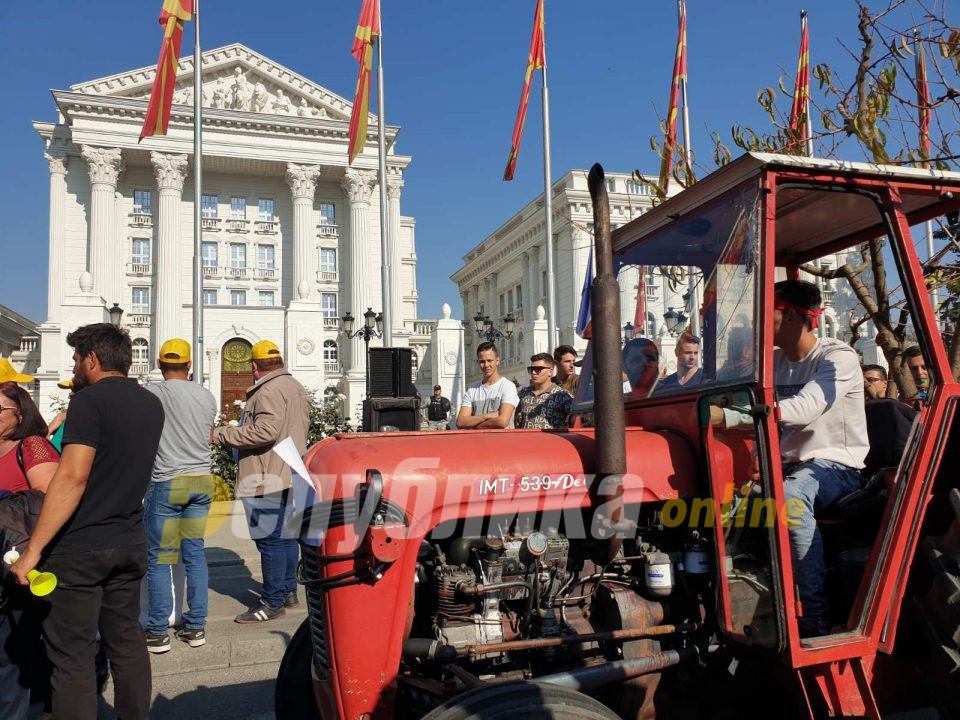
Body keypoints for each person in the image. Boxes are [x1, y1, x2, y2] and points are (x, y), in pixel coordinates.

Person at [11, 322, 164, 720]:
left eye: (77, 358)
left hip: (80, 547)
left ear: (92, 359)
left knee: (73, 658)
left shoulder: (88, 403)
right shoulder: (150, 403)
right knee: (127, 643)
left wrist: (33, 551)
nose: (75, 367)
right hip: (129, 540)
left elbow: (72, 477)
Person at [713, 280, 868, 637]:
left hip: (836, 467)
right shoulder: (775, 363)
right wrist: (753, 457)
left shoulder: (837, 356)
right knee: (723, 504)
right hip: (789, 467)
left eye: (769, 314)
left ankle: (813, 616)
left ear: (796, 317)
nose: (759, 324)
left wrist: (736, 415)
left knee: (792, 499)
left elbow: (806, 406)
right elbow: (759, 418)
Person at [210, 339, 310, 623]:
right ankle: (288, 592)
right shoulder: (295, 387)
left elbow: (264, 431)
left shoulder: (267, 391)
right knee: (286, 537)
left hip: (264, 475)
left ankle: (271, 601)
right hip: (288, 471)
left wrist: (223, 435)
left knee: (269, 541)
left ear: (254, 367)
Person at [142, 339, 218, 654]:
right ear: (189, 366)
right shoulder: (206, 395)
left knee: (160, 558)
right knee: (195, 555)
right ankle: (196, 626)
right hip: (202, 481)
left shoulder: (151, 393)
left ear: (160, 364)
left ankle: (158, 631)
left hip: (167, 481)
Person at [0, 380, 58, 719]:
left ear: (19, 414)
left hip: (22, 564)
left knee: (14, 657)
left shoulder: (32, 445)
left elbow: (50, 496)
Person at [457, 342, 519, 429]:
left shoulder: (508, 386)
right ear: (478, 362)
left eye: (489, 360)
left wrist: (474, 424)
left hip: (503, 441)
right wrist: (487, 416)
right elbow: (460, 422)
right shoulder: (472, 390)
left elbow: (502, 422)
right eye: (482, 361)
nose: (486, 365)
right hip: (477, 441)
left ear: (497, 361)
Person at [516, 354, 574, 429]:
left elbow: (578, 417)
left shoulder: (561, 395)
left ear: (550, 372)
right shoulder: (524, 392)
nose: (533, 372)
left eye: (538, 369)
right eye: (531, 369)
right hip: (526, 439)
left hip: (551, 440)